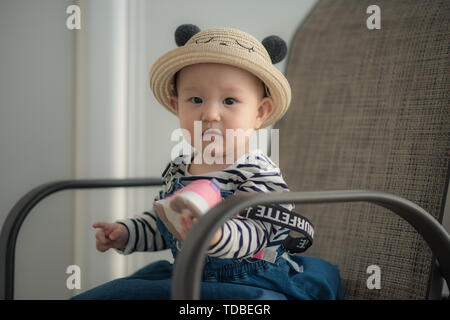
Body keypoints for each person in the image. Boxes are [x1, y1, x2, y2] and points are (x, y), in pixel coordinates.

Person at [71, 24, 344, 300]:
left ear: (260, 112)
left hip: (249, 280)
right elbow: (164, 224)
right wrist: (127, 233)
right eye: (196, 99)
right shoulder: (179, 167)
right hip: (189, 276)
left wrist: (216, 235)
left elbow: (260, 233)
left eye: (229, 100)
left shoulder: (258, 171)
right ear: (177, 106)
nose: (210, 114)